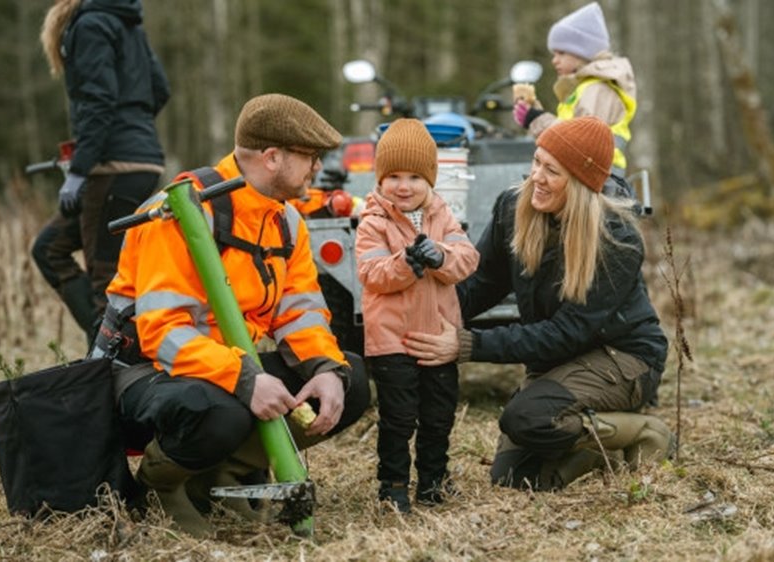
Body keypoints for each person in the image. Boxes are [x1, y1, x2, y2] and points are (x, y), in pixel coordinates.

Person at [94, 94, 370, 538]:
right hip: (144, 372)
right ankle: (158, 485)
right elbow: (163, 333)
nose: (317, 168)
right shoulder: (178, 212)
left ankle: (220, 476)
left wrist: (325, 369)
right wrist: (245, 379)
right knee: (221, 408)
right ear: (273, 157)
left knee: (350, 380)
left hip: (220, 367)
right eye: (310, 157)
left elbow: (301, 313)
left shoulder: (288, 221)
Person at [403, 117, 672, 491]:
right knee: (514, 478)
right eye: (537, 162)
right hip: (560, 361)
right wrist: (427, 313)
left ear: (580, 182)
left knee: (527, 418)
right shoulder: (513, 207)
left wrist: (467, 344)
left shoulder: (616, 238)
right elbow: (481, 284)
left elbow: (569, 332)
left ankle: (644, 430)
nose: (537, 177)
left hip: (622, 357)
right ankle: (600, 449)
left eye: (552, 170)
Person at [355, 119, 479, 513]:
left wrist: (440, 256)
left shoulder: (443, 217)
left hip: (437, 341)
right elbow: (372, 275)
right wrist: (407, 262)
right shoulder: (373, 223)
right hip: (392, 342)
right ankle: (392, 486)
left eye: (414, 176)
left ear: (430, 180)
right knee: (398, 419)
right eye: (393, 176)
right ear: (380, 179)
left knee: (438, 416)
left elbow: (467, 259)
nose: (404, 186)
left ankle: (433, 481)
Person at [33, 0, 170, 345]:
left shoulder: (91, 25)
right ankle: (108, 350)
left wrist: (79, 170)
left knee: (105, 281)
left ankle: (106, 368)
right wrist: (132, 128)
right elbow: (160, 89)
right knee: (49, 248)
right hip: (143, 163)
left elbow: (99, 100)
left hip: (113, 169)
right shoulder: (128, 23)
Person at [512, 1, 636, 182]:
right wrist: (535, 117)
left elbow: (580, 145)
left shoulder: (598, 90)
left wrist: (537, 119)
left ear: (582, 52)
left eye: (561, 53)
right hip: (588, 180)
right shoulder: (585, 89)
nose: (554, 60)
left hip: (600, 184)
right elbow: (567, 135)